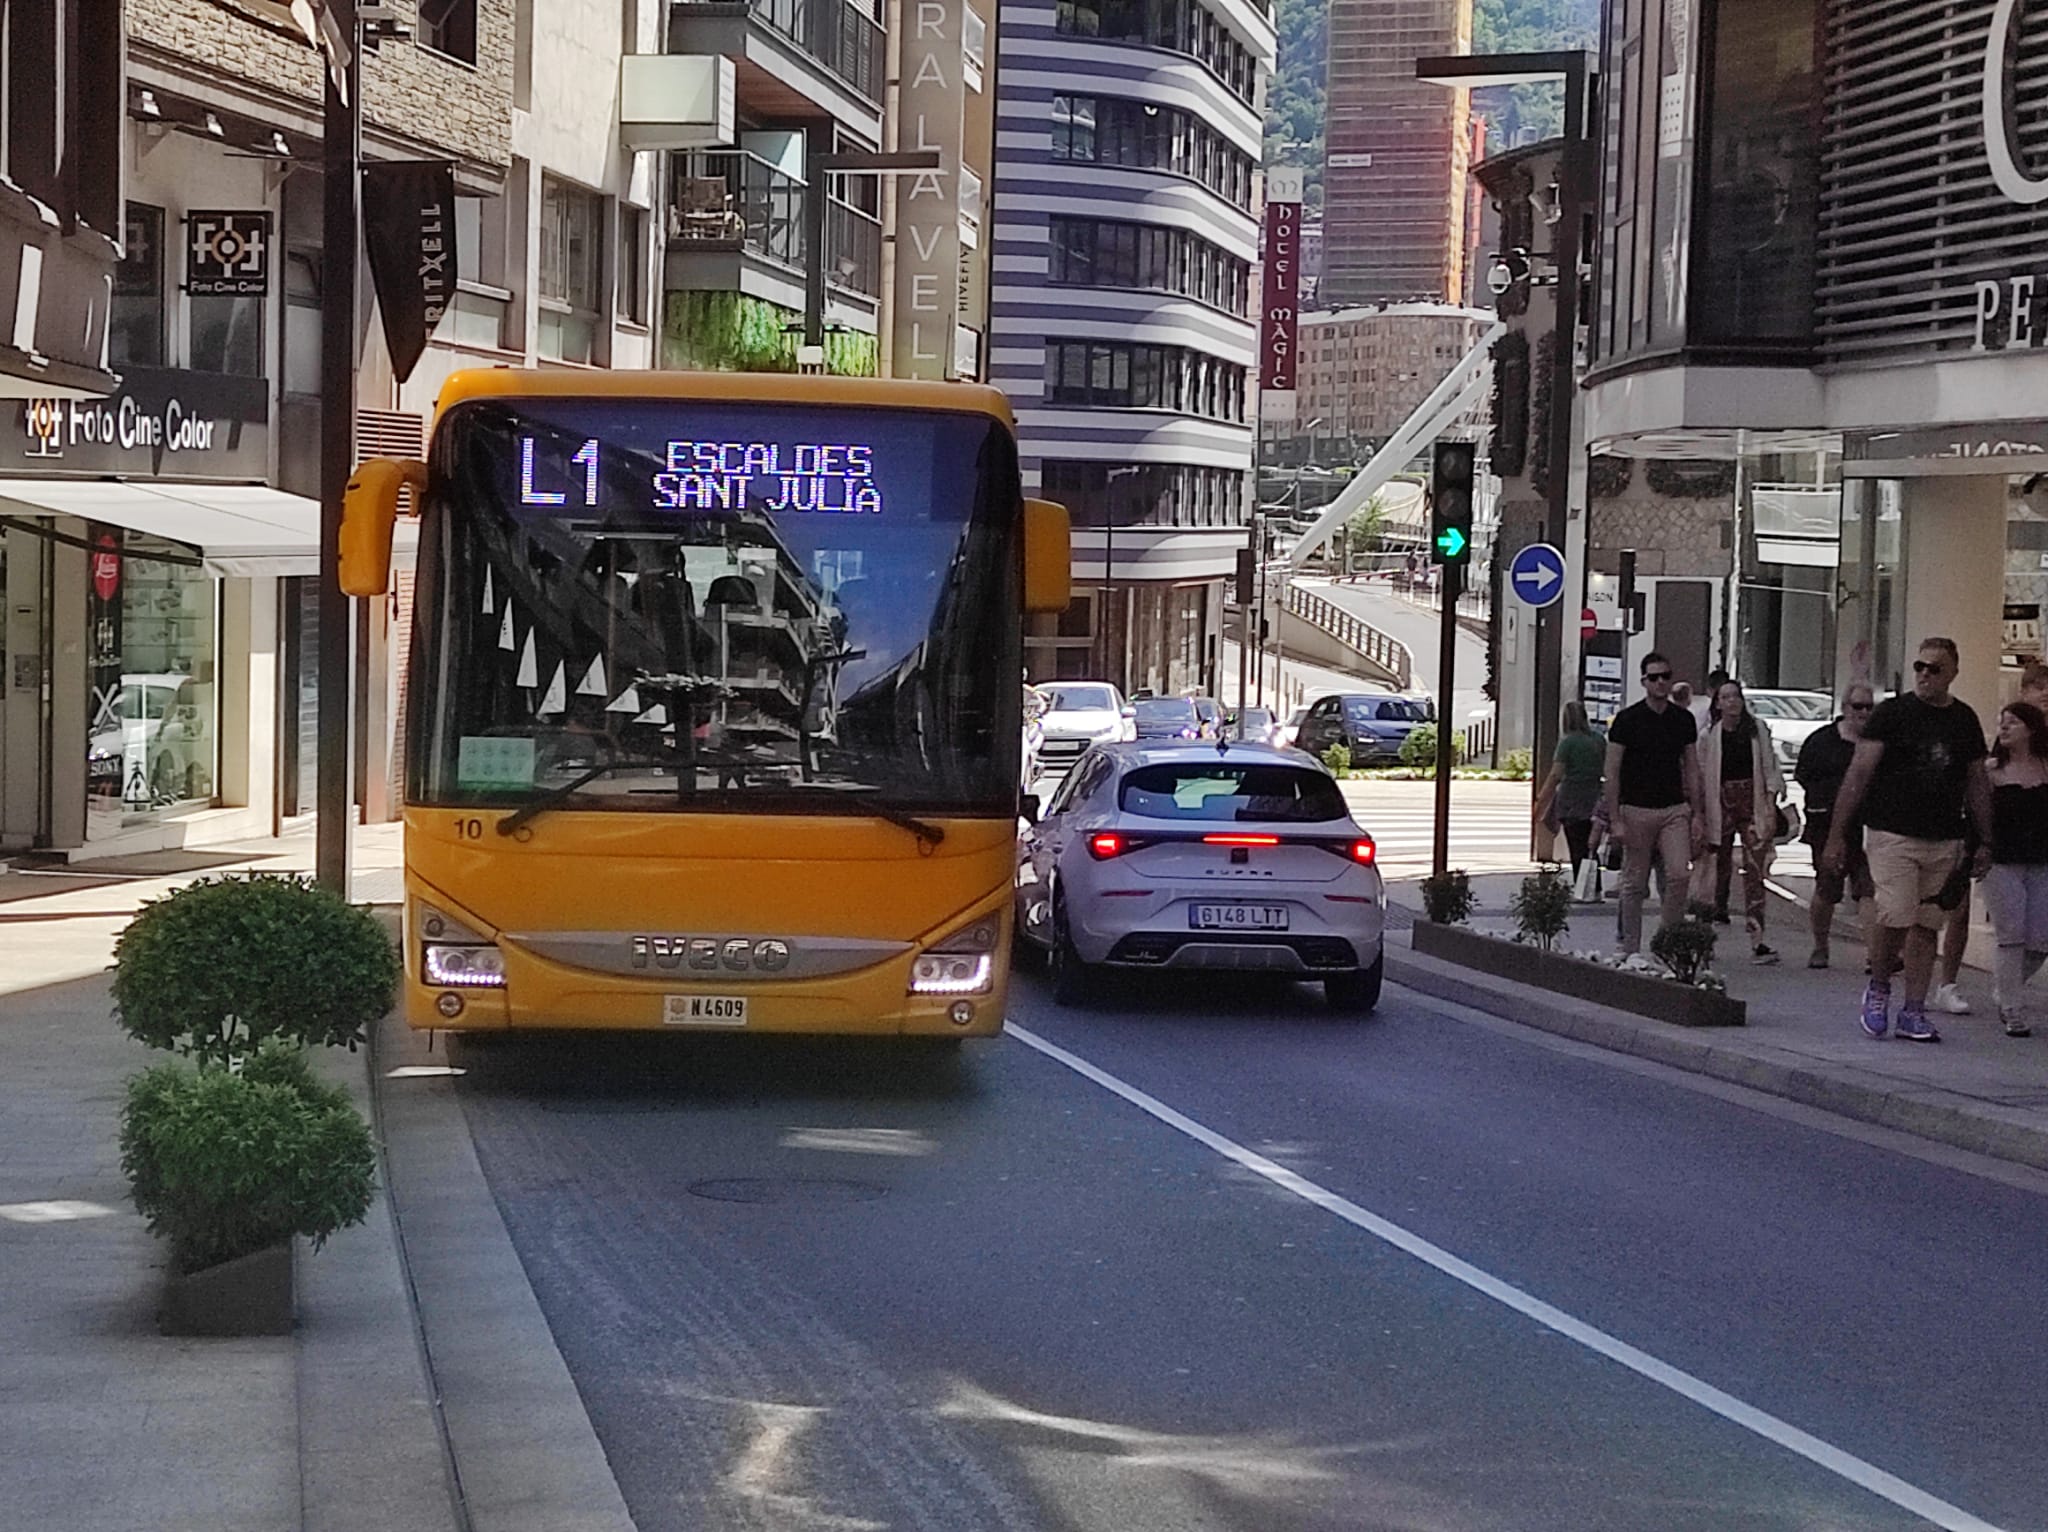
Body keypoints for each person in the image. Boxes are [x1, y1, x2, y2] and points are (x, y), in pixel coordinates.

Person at [1825, 637, 1994, 1044]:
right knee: (1895, 915)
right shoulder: (1892, 714)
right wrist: (1837, 835)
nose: (1924, 675)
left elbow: (1976, 782)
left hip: (1944, 837)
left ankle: (1914, 1009)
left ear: (1953, 671)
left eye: (1934, 668)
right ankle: (1880, 988)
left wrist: (1987, 839)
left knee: (1926, 925)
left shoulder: (1964, 720)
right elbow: (1859, 774)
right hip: (1892, 833)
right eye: (1919, 666)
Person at [1606, 651, 1704, 956]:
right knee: (1634, 884)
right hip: (1635, 810)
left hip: (1674, 809)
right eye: (1654, 677)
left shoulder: (1682, 720)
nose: (1661, 682)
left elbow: (1691, 767)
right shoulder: (1627, 720)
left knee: (1679, 874)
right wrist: (1615, 819)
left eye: (1666, 676)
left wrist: (1698, 813)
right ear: (1644, 681)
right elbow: (1612, 770)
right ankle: (1630, 949)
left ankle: (1667, 943)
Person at [1699, 679, 1784, 964]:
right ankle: (1704, 936)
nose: (1732, 702)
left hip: (1752, 803)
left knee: (1755, 870)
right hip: (1719, 803)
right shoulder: (1709, 736)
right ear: (1718, 703)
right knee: (1713, 869)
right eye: (1725, 697)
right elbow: (1701, 776)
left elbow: (1770, 767)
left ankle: (1758, 939)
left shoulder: (1756, 730)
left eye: (1736, 696)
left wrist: (1770, 803)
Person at [1795, 683, 1876, 970]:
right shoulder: (1822, 741)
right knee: (1827, 889)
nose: (1864, 713)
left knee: (1868, 889)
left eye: (1869, 707)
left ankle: (1874, 954)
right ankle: (1820, 945)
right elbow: (1803, 775)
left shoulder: (1877, 743)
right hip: (1827, 826)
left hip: (1868, 826)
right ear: (1845, 708)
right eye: (1858, 707)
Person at [1982, 701, 2048, 1038]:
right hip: (2001, 860)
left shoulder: (2045, 768)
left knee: (2040, 939)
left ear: (2031, 729)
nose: (2005, 728)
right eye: (2002, 722)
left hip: (2040, 859)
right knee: (2011, 933)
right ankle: (2012, 1008)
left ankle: (2005, 986)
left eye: (2014, 723)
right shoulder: (1991, 771)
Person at [1534, 700, 1605, 877]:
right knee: (1590, 844)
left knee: (1576, 845)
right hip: (1594, 795)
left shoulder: (1567, 743)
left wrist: (1541, 800)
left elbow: (1555, 775)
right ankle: (1593, 886)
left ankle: (1582, 888)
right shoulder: (1598, 739)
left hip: (1571, 798)